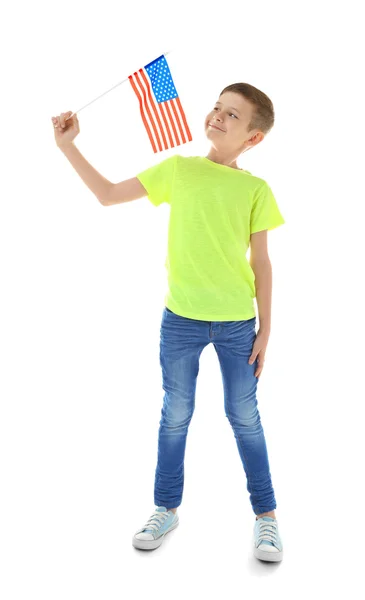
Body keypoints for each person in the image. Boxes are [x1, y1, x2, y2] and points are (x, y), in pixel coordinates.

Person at [51, 82, 285, 562]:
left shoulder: (256, 189)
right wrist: (68, 145)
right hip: (180, 321)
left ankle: (267, 519)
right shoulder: (179, 170)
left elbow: (262, 263)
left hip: (238, 325)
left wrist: (266, 328)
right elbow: (108, 194)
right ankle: (166, 508)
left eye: (233, 116)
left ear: (253, 138)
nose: (218, 116)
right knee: (175, 415)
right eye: (217, 108)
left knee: (244, 417)